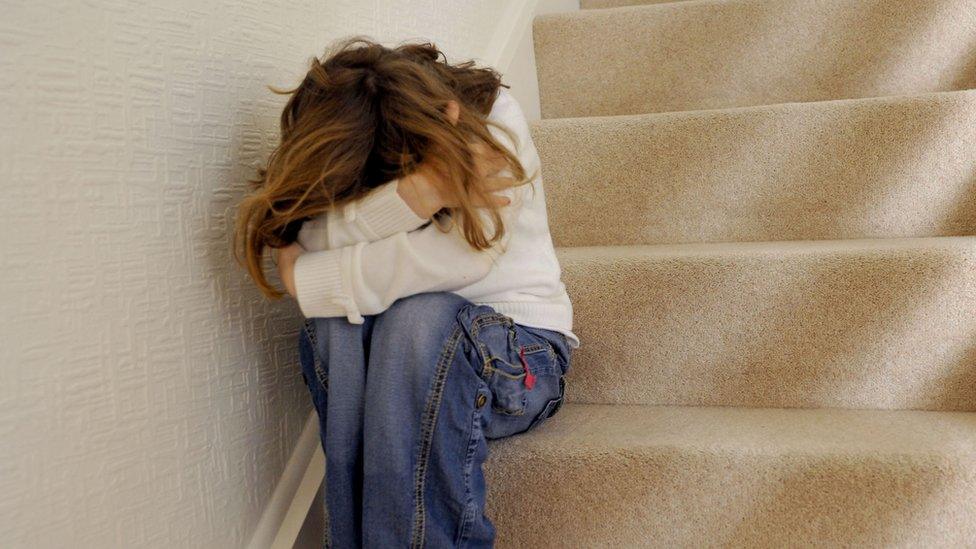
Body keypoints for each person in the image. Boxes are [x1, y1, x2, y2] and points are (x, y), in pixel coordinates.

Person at [234, 36, 580, 548]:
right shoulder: (365, 131)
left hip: (519, 358)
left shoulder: (490, 125)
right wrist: (416, 195)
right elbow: (306, 232)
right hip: (404, 366)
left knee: (418, 318)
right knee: (338, 323)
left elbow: (463, 257)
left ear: (447, 114)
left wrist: (307, 279)